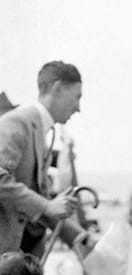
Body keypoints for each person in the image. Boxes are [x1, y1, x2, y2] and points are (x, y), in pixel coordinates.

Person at [0, 61, 97, 260]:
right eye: (76, 97)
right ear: (58, 89)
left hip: (21, 258)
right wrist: (46, 206)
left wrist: (80, 238)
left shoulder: (41, 133)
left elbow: (40, 203)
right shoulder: (17, 122)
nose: (78, 108)